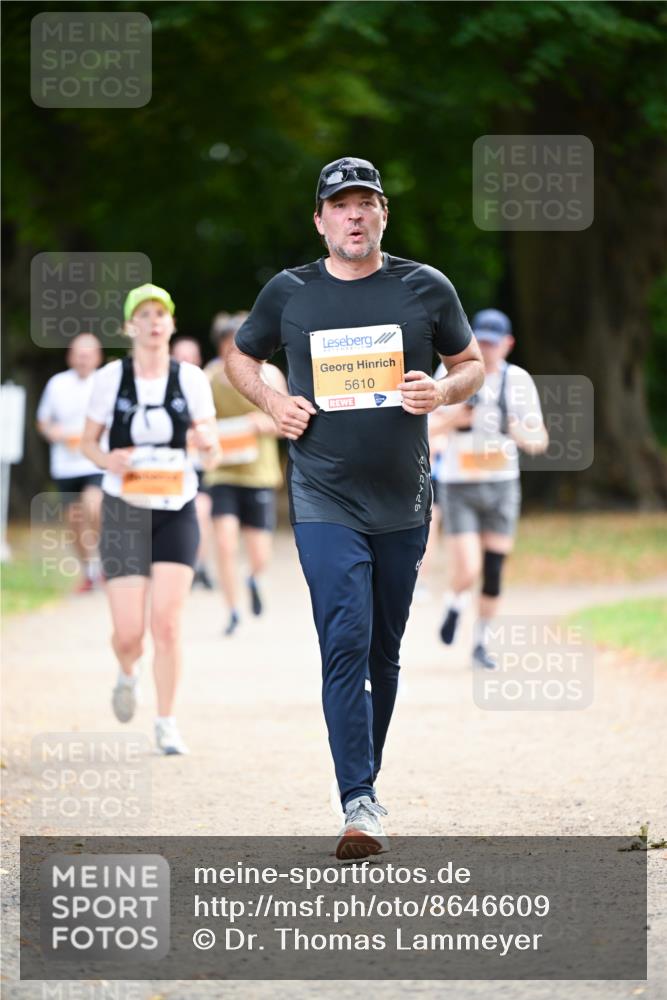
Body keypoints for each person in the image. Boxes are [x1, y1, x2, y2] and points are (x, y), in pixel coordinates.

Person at [226, 156, 484, 858]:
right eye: (339, 204)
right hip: (322, 495)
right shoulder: (290, 292)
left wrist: (444, 391)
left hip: (403, 497)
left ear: (382, 214)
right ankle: (358, 800)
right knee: (343, 636)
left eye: (365, 202)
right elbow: (240, 358)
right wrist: (275, 401)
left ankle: (364, 780)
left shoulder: (423, 286)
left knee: (383, 652)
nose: (353, 214)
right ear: (320, 219)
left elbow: (469, 365)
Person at [81, 284, 218, 755]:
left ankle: (166, 721)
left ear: (172, 324)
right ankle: (127, 671)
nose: (155, 321)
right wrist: (107, 460)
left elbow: (212, 445)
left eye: (162, 313)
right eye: (145, 314)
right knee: (128, 633)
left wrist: (206, 444)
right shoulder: (110, 378)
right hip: (124, 509)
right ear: (129, 326)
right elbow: (88, 444)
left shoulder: (192, 379)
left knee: (168, 624)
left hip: (176, 508)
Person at [431, 309, 548, 669]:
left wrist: (519, 432)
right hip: (460, 484)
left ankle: (481, 641)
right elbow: (429, 430)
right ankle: (455, 601)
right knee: (468, 567)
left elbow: (540, 440)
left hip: (501, 485)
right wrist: (457, 417)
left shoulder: (518, 382)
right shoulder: (449, 375)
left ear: (507, 345)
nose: (485, 348)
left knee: (493, 570)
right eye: (479, 341)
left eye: (492, 344)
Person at [205, 312, 287, 636]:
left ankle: (254, 577)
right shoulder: (208, 377)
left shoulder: (270, 375)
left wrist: (260, 425)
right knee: (224, 544)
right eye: (227, 344)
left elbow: (286, 422)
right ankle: (233, 610)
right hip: (222, 474)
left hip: (259, 475)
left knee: (259, 553)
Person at [36, 332, 104, 592]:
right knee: (74, 521)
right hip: (65, 463)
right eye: (79, 354)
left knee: (94, 506)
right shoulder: (57, 384)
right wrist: (52, 432)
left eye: (88, 355)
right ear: (70, 356)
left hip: (93, 461)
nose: (84, 359)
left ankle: (105, 559)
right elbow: (43, 421)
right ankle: (89, 571)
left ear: (97, 357)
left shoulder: (104, 383)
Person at [170, 334, 215, 590]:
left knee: (201, 512)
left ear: (198, 359)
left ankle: (199, 565)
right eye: (180, 356)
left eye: (189, 356)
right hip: (165, 470)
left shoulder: (206, 384)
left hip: (200, 466)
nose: (185, 361)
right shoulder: (158, 384)